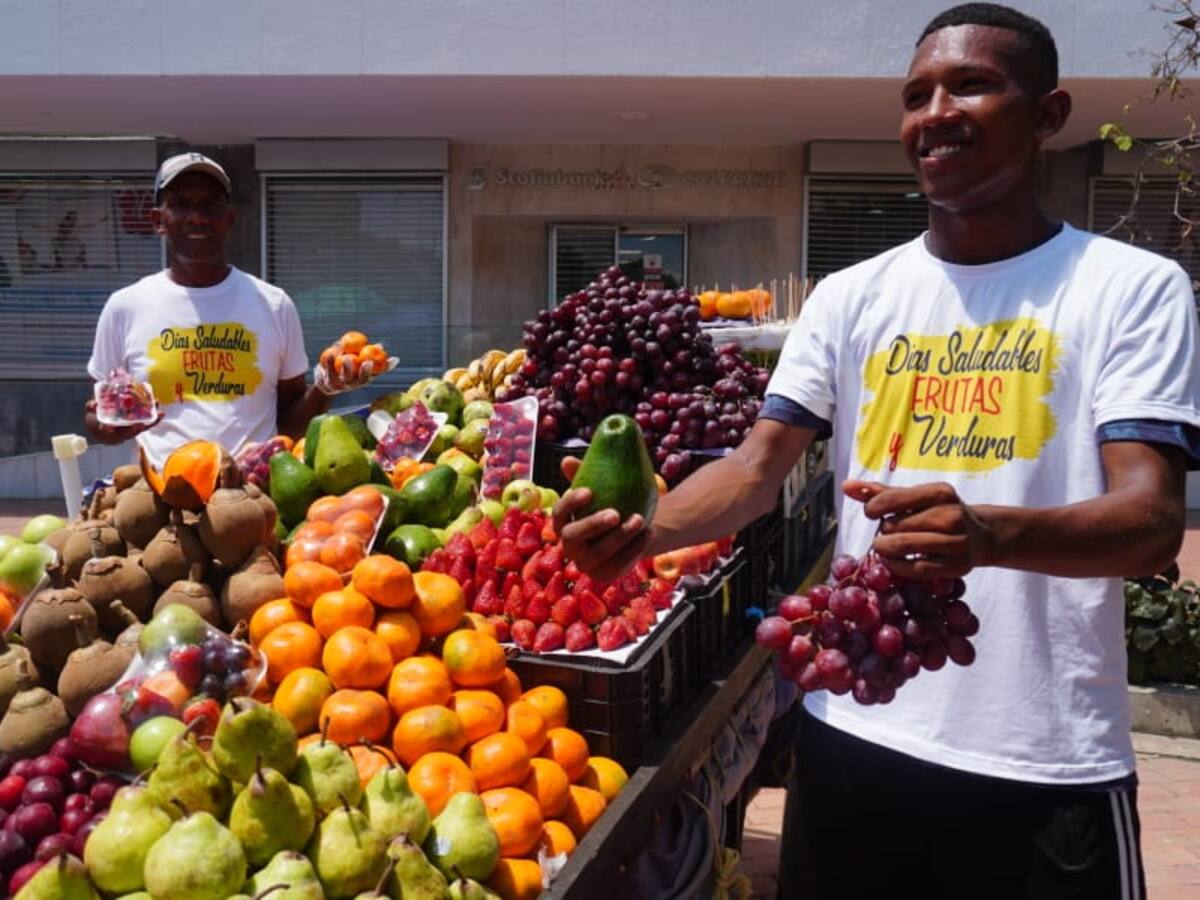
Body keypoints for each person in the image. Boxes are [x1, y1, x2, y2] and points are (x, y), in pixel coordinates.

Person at [555, 4, 1199, 898]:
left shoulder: (1130, 288)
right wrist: (645, 530)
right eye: (915, 94)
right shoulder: (854, 297)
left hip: (1042, 759)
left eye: (971, 84)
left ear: (1049, 115)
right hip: (854, 737)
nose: (935, 112)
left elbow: (1152, 522)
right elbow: (752, 470)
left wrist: (989, 535)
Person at [85, 152, 369, 465]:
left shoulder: (274, 304)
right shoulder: (125, 307)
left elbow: (289, 425)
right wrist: (109, 428)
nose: (198, 216)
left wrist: (325, 389)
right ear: (157, 221)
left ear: (229, 219)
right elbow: (99, 418)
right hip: (160, 497)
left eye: (210, 204)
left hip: (251, 496)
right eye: (181, 204)